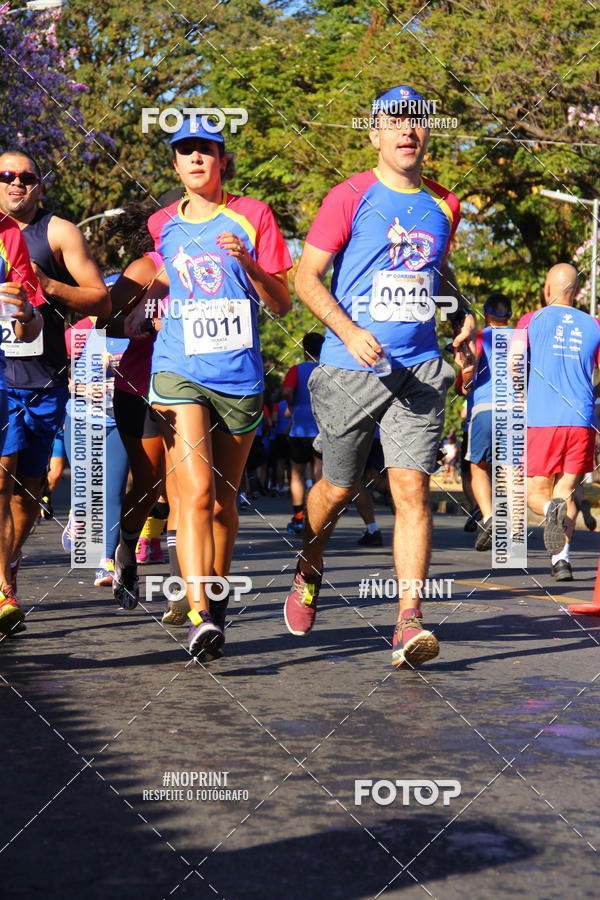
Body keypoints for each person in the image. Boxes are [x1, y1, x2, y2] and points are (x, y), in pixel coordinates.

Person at [284, 85, 475, 669]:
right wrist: (347, 332)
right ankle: (309, 565)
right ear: (375, 135)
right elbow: (306, 276)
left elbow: (430, 274)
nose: (408, 129)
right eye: (395, 121)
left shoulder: (445, 204)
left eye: (417, 120)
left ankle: (409, 619)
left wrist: (462, 314)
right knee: (339, 490)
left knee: (411, 488)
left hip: (418, 370)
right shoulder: (349, 196)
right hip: (352, 369)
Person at [148, 117, 292, 659]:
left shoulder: (253, 215)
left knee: (224, 501)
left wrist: (247, 262)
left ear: (222, 159)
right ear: (175, 164)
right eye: (185, 151)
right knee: (197, 493)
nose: (195, 160)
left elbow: (280, 301)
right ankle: (198, 613)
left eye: (205, 150)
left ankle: (217, 599)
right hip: (178, 368)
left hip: (238, 374)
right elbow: (163, 277)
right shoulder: (163, 222)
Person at [0, 149, 109, 593]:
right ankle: (3, 588)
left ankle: (9, 560)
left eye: (27, 177)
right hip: (2, 376)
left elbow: (101, 300)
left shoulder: (59, 231)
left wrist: (44, 284)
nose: (17, 183)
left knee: (32, 486)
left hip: (44, 378)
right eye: (7, 175)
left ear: (39, 184)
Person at [516, 264, 600, 580]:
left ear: (548, 289)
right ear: (576, 291)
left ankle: (551, 518)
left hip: (542, 419)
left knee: (538, 492)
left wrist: (519, 398)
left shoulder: (531, 320)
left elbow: (513, 364)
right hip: (581, 419)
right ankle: (561, 560)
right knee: (565, 492)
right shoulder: (594, 325)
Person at [0, 216, 44, 634]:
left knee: (6, 485)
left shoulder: (8, 235)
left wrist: (27, 315)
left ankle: (2, 590)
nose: (15, 185)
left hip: (6, 377)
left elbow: (31, 322)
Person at [459, 292, 513, 550]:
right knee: (509, 468)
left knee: (478, 466)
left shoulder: (479, 338)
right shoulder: (523, 339)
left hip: (485, 408)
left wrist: (462, 385)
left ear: (485, 313)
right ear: (510, 315)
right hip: (518, 410)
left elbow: (467, 377)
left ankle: (490, 517)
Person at [282, 332, 324, 534]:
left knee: (297, 474)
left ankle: (298, 518)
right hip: (322, 430)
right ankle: (316, 519)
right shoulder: (329, 370)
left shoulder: (296, 370)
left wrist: (293, 405)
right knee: (319, 475)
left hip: (299, 430)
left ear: (304, 350)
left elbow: (287, 392)